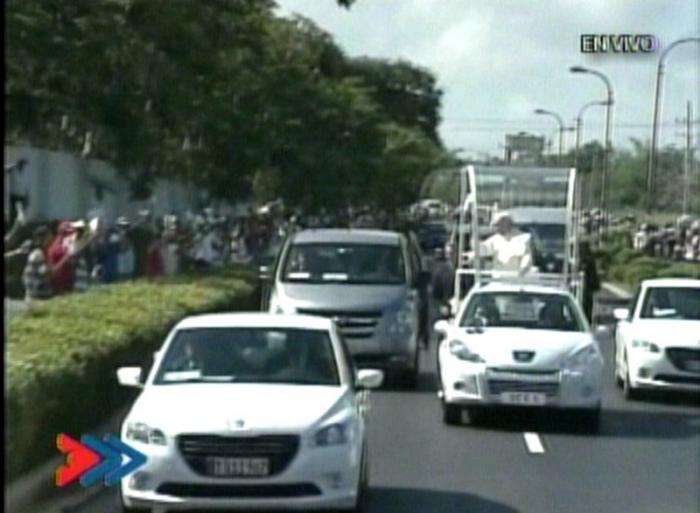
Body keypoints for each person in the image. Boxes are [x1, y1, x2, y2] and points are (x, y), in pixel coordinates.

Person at [477, 211, 533, 276]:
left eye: (498, 224)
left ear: (507, 223)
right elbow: (482, 250)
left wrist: (523, 269)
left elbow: (526, 258)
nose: (497, 228)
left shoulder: (524, 238)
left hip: (517, 281)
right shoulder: (495, 239)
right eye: (496, 225)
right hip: (498, 281)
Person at [22, 226, 53, 302]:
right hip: (36, 298)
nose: (51, 239)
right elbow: (44, 272)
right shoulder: (38, 254)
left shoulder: (38, 252)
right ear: (43, 239)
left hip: (35, 296)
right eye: (49, 237)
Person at [579, 241, 600, 323]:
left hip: (587, 289)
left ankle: (587, 321)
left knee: (587, 306)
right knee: (587, 307)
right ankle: (587, 321)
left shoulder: (588, 261)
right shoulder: (590, 260)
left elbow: (593, 275)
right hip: (588, 289)